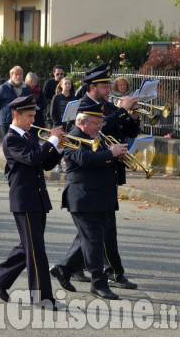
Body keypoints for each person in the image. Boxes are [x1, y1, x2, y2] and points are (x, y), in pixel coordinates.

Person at [51, 64, 140, 293]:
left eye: (110, 85)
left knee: (94, 230)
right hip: (89, 181)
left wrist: (134, 114)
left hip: (106, 174)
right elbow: (101, 134)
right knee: (97, 231)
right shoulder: (85, 107)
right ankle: (109, 274)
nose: (109, 89)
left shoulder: (107, 106)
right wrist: (121, 111)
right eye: (105, 85)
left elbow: (127, 132)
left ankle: (67, 268)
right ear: (93, 87)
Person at [0, 95, 64, 307]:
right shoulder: (11, 139)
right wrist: (52, 141)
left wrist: (58, 148)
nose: (32, 120)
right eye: (29, 116)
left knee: (28, 246)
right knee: (36, 250)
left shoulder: (28, 136)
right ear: (15, 115)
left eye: (34, 115)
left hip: (36, 199)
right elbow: (31, 159)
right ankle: (42, 298)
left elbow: (44, 164)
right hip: (25, 200)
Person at [0, 66, 31, 135]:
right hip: (6, 122)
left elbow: (29, 105)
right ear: (11, 75)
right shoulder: (3, 88)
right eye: (16, 74)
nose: (18, 77)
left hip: (21, 121)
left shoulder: (27, 89)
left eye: (20, 74)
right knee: (8, 142)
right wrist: (3, 117)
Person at [25, 72, 47, 141]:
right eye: (33, 82)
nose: (35, 84)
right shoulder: (25, 91)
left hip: (38, 117)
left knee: (36, 137)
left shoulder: (39, 91)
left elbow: (44, 104)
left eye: (36, 82)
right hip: (28, 117)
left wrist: (38, 107)